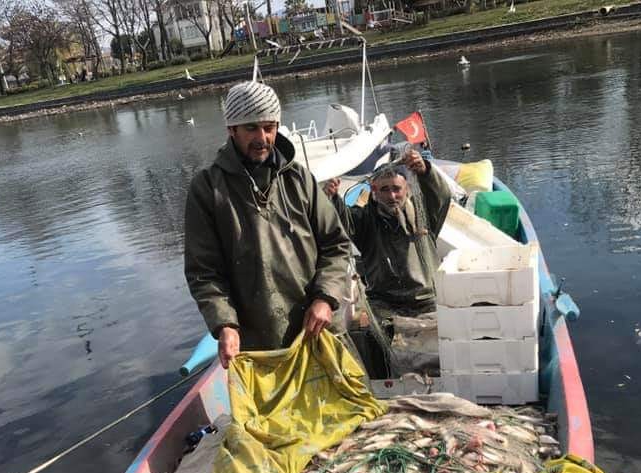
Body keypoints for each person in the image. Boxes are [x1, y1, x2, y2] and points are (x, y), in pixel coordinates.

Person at [184, 81, 351, 369]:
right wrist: (225, 324)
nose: (262, 138)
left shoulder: (299, 178)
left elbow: (336, 244)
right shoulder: (207, 188)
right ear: (232, 129)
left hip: (317, 330)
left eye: (269, 127)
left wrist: (326, 297)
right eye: (251, 128)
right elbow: (203, 271)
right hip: (256, 345)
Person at [323, 149, 453, 325]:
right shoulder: (364, 220)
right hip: (384, 302)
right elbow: (340, 221)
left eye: (397, 189)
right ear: (374, 191)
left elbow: (442, 195)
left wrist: (425, 171)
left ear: (407, 188)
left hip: (426, 299)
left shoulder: (425, 212)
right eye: (385, 189)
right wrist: (331, 197)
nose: (392, 196)